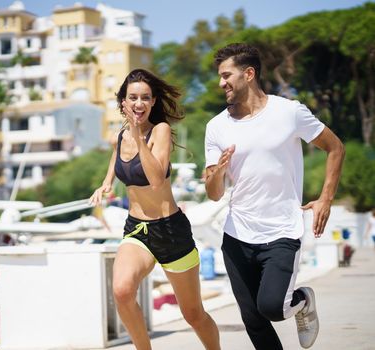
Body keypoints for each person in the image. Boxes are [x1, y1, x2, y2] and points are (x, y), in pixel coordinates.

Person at [204, 43, 345, 350]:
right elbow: (214, 195)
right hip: (237, 235)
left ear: (249, 74)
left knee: (272, 307)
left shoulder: (289, 112)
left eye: (226, 75)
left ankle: (302, 300)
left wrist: (326, 198)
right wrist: (216, 174)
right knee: (253, 319)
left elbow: (335, 147)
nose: (221, 83)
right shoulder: (216, 127)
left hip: (282, 231)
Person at [90, 69, 220, 350]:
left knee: (193, 314)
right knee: (122, 291)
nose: (139, 103)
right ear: (123, 101)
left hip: (170, 231)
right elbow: (117, 159)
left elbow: (156, 177)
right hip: (137, 229)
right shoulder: (121, 135)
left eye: (145, 98)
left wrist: (139, 136)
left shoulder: (159, 131)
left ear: (153, 102)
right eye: (133, 97)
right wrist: (105, 183)